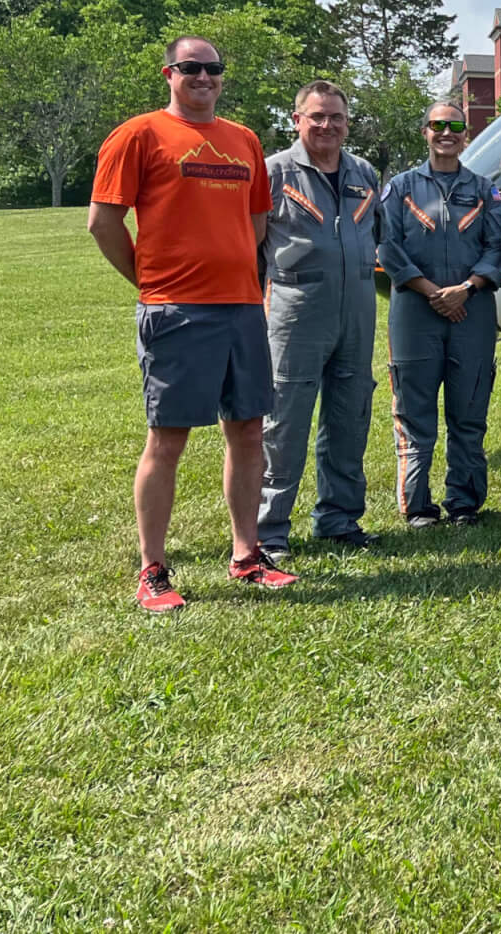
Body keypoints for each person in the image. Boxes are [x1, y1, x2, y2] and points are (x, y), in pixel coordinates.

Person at [88, 34, 294, 612]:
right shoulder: (139, 135)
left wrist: (233, 276)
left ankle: (247, 555)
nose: (204, 77)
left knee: (249, 430)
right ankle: (152, 569)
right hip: (175, 310)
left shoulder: (243, 141)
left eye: (214, 69)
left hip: (243, 307)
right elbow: (103, 223)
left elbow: (255, 224)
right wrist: (151, 284)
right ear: (169, 73)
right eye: (191, 68)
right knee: (169, 437)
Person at [255, 80, 383, 558]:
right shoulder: (273, 173)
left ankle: (339, 519)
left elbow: (378, 237)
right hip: (295, 312)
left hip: (356, 311)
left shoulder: (364, 173)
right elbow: (252, 249)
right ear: (297, 120)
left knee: (349, 418)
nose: (328, 125)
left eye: (337, 118)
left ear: (347, 123)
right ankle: (268, 532)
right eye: (318, 117)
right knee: (283, 421)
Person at [379, 101, 501, 529]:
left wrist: (467, 289)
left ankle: (465, 503)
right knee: (415, 415)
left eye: (455, 126)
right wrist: (433, 292)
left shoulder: (485, 189)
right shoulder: (400, 187)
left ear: (466, 133)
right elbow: (388, 247)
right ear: (425, 132)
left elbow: (498, 248)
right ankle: (417, 506)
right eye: (438, 125)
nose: (446, 133)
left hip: (473, 310)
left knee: (469, 411)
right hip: (416, 312)